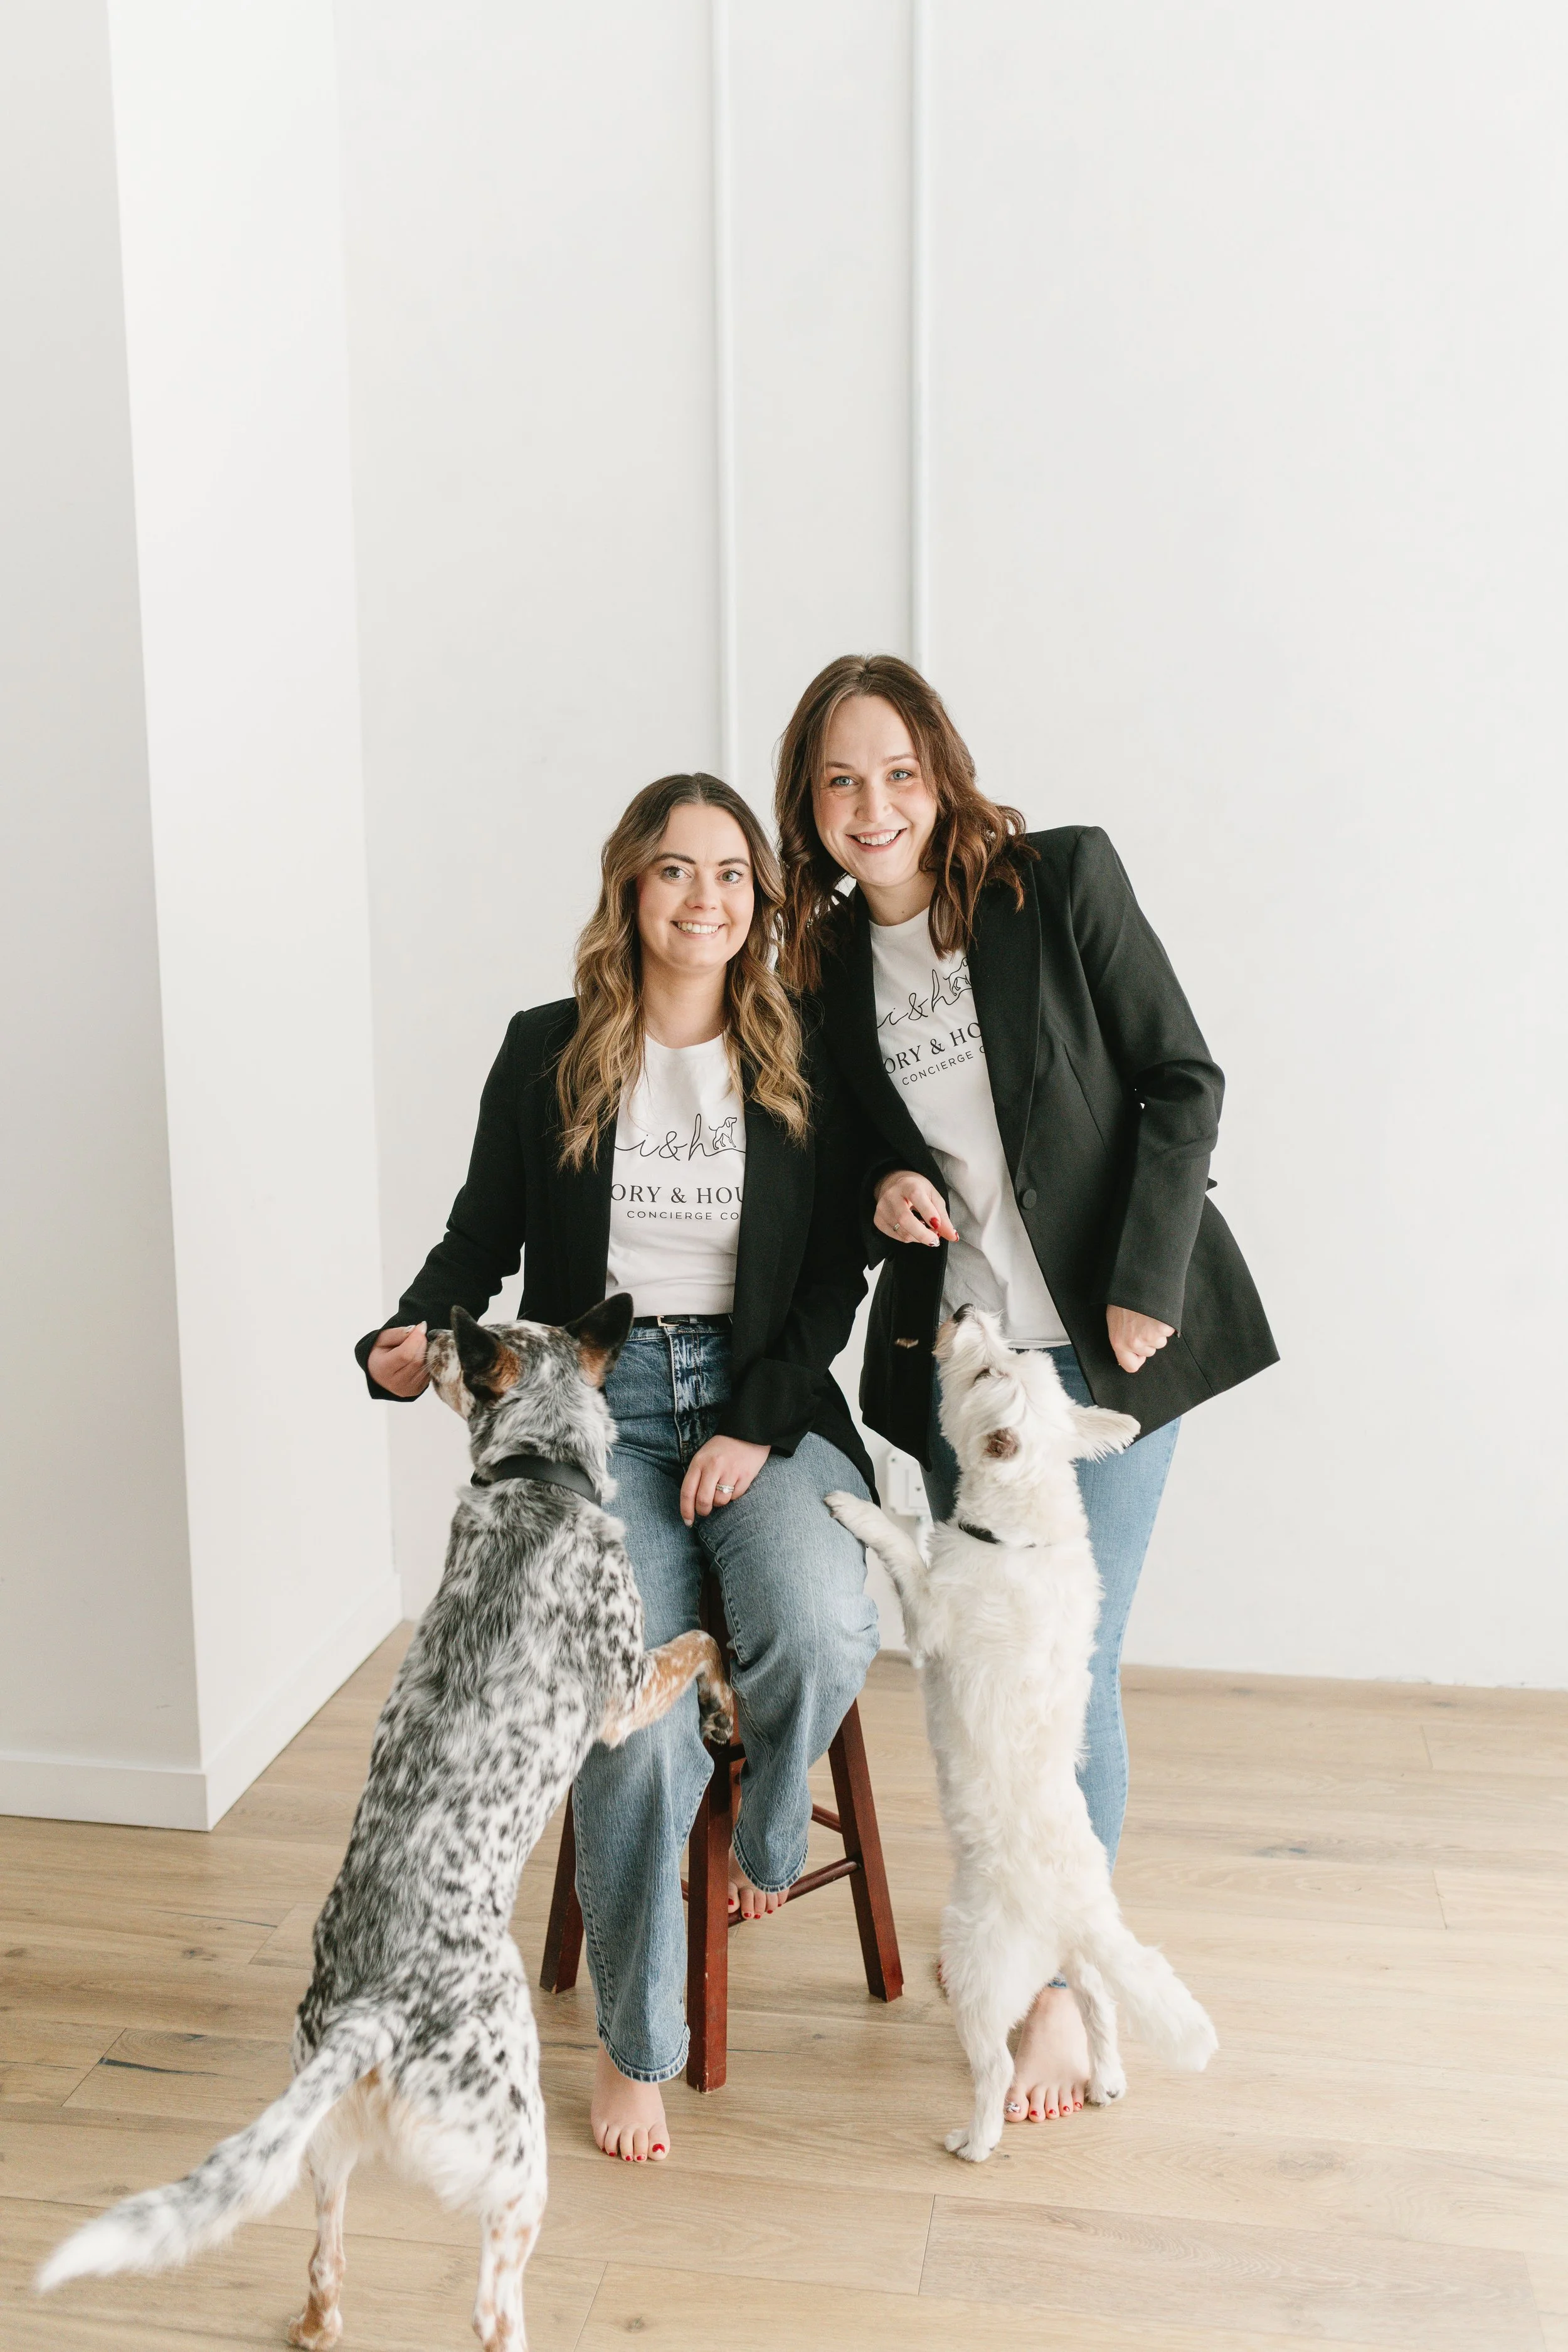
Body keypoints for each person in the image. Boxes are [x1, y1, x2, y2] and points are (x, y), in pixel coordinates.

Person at [774, 655, 1276, 2128]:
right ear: (810, 807)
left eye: (897, 773)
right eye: (839, 782)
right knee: (985, 1675)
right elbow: (855, 1146)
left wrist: (1144, 1273)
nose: (873, 807)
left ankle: (1056, 1995)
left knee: (1071, 1669)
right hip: (968, 1373)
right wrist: (880, 1187)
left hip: (1106, 1355)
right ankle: (1021, 1955)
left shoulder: (1053, 882)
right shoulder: (817, 968)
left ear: (940, 770)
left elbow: (1181, 1077)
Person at [358, 773, 879, 2165]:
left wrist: (755, 1421)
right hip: (600, 1416)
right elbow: (478, 1245)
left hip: (760, 1401)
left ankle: (767, 1831)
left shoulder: (800, 1050)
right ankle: (634, 2045)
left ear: (758, 902)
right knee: (629, 1722)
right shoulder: (548, 1051)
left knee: (821, 1615)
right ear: (629, 891)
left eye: (728, 875)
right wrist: (403, 1338)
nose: (702, 899)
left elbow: (833, 1272)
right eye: (672, 872)